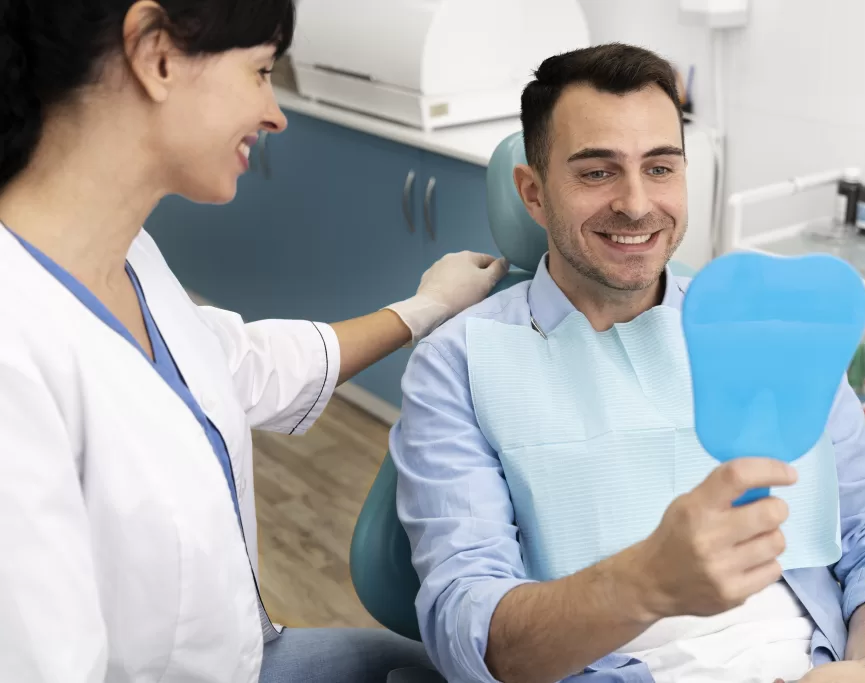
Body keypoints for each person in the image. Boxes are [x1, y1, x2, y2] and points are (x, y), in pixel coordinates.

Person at [390, 43, 865, 683]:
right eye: (597, 173)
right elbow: (467, 627)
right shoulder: (458, 365)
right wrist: (648, 581)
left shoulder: (763, 332)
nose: (636, 204)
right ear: (534, 193)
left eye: (659, 168)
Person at [0, 1, 507, 681]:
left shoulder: (128, 255)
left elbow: (235, 365)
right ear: (156, 55)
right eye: (261, 72)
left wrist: (423, 309)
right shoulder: (15, 356)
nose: (275, 114)